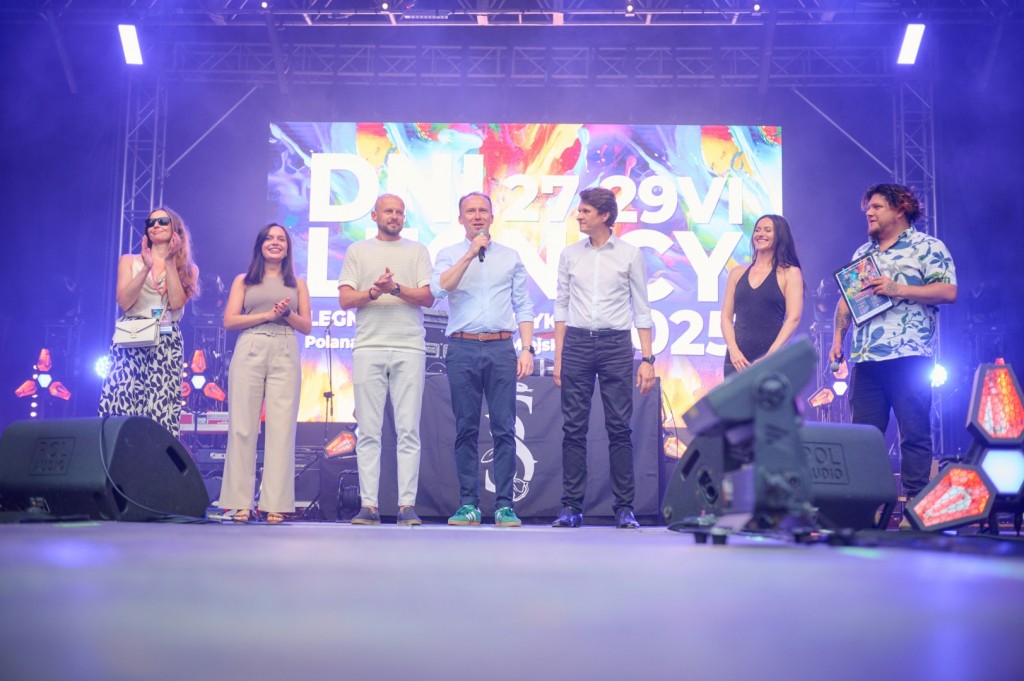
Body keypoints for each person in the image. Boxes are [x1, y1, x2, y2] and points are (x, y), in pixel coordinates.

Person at [828, 183, 957, 503]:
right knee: (864, 437)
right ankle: (866, 505)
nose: (869, 213)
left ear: (901, 209)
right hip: (866, 357)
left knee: (914, 432)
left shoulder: (927, 247)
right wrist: (837, 337)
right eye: (867, 209)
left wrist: (897, 288)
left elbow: (948, 291)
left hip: (909, 354)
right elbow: (847, 301)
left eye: (876, 207)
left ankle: (915, 505)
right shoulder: (862, 253)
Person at [552, 187, 656, 529]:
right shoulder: (569, 254)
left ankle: (624, 508)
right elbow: (561, 306)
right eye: (579, 210)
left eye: (585, 211)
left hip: (615, 344)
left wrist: (648, 359)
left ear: (604, 215)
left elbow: (641, 307)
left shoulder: (629, 254)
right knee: (573, 428)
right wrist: (559, 356)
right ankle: (571, 507)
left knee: (619, 428)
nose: (578, 215)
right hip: (577, 343)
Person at [431, 191, 535, 528]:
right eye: (470, 211)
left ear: (492, 216)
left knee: (504, 427)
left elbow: (523, 304)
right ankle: (468, 505)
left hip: (501, 348)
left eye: (483, 211)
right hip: (462, 348)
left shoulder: (510, 257)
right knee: (466, 428)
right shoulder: (449, 254)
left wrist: (527, 348)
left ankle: (505, 505)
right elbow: (439, 289)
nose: (477, 216)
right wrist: (470, 254)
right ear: (460, 218)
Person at [338, 194, 434, 526]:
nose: (394, 216)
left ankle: (407, 505)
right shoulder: (357, 251)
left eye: (399, 212)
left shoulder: (417, 251)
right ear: (374, 215)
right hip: (369, 346)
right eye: (388, 211)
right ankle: (369, 505)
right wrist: (373, 292)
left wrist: (394, 288)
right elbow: (345, 299)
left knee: (409, 430)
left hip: (409, 347)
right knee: (369, 431)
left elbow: (428, 297)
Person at [219, 224, 312, 523]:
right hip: (251, 344)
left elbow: (306, 327)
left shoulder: (298, 283)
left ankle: (276, 504)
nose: (275, 243)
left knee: (282, 429)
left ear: (287, 248)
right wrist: (267, 315)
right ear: (260, 245)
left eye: (281, 239)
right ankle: (239, 503)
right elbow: (230, 321)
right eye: (269, 238)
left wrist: (286, 314)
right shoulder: (244, 280)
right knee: (243, 427)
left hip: (285, 346)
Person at [99, 207, 200, 437]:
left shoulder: (188, 269)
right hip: (131, 337)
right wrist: (146, 267)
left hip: (166, 341)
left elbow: (176, 302)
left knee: (161, 410)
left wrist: (170, 261)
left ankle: (156, 458)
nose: (155, 225)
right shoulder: (129, 260)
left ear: (175, 228)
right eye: (151, 222)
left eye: (162, 221)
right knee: (122, 405)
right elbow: (124, 302)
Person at [721, 214, 804, 377]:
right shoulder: (737, 273)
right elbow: (725, 316)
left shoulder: (790, 273)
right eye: (757, 230)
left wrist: (770, 356)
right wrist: (733, 351)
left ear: (779, 235)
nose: (760, 234)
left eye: (767, 230)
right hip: (737, 361)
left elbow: (793, 319)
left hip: (772, 360)